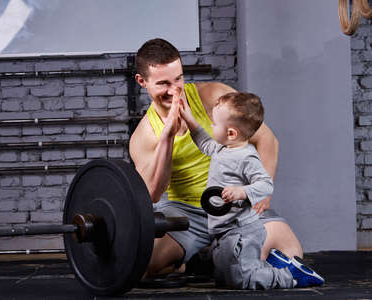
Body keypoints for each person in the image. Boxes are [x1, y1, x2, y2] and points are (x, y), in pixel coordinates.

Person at [129, 38, 302, 279]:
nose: (173, 90)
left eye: (178, 78)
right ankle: (206, 258)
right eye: (163, 83)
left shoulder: (214, 97)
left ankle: (215, 255)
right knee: (147, 267)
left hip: (235, 205)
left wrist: (260, 192)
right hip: (186, 211)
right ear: (142, 82)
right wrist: (167, 137)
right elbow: (153, 194)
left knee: (291, 256)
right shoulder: (143, 136)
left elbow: (268, 140)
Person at [178, 91, 324, 289]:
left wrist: (242, 192)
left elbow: (265, 184)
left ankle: (292, 276)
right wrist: (189, 119)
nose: (210, 126)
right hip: (223, 229)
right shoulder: (223, 148)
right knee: (224, 278)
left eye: (213, 124)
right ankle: (274, 264)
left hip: (242, 232)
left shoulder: (247, 157)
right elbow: (204, 142)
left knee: (242, 280)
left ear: (231, 133)